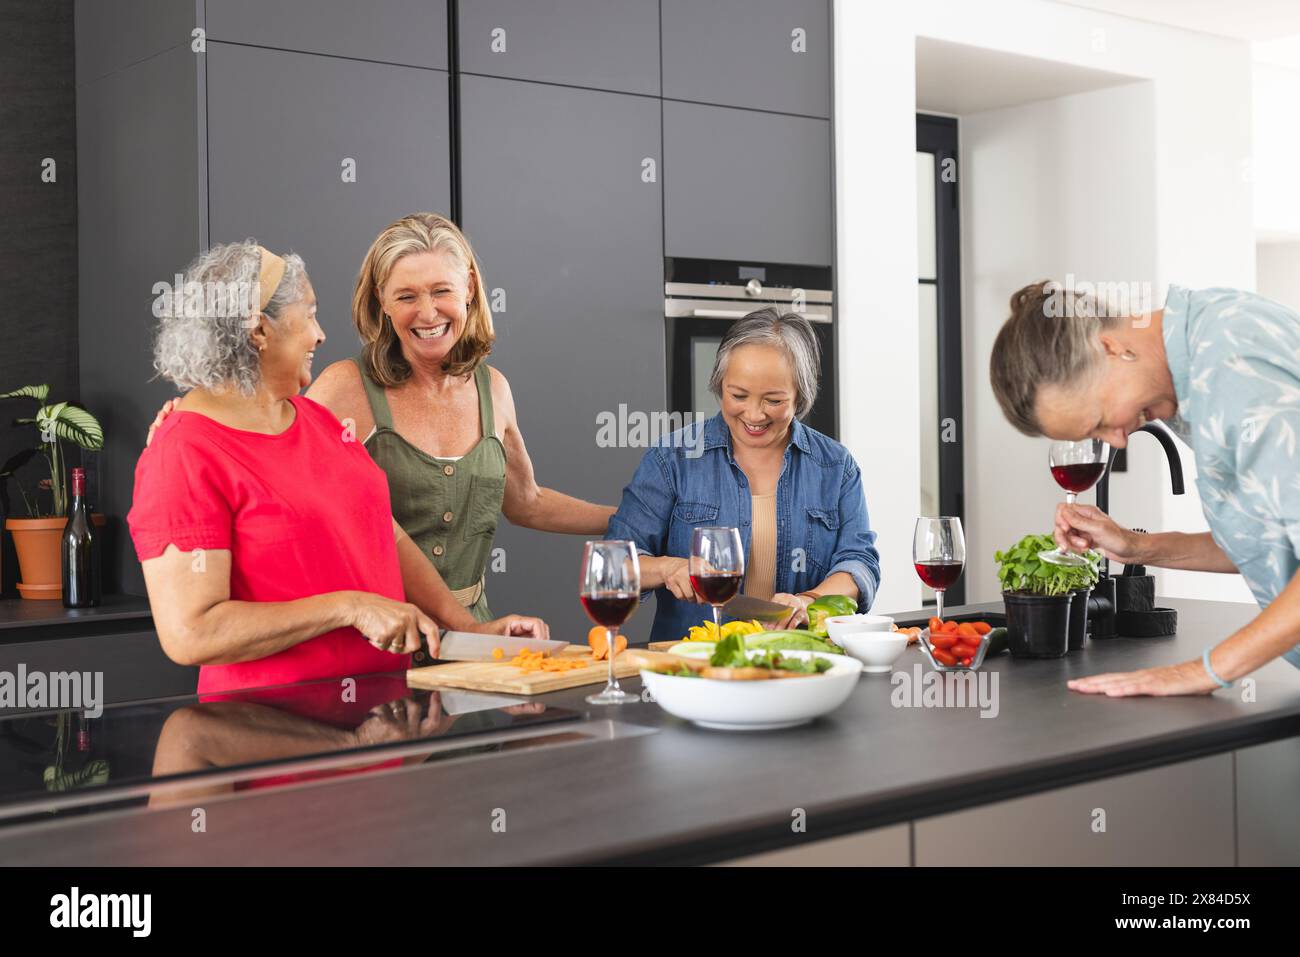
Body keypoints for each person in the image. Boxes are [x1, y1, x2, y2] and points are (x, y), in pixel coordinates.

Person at [150, 213, 615, 624]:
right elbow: (274, 446)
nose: (428, 312)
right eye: (407, 295)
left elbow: (524, 501)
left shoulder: (493, 388)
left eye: (442, 291)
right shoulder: (342, 388)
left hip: (468, 627)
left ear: (470, 288)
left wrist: (633, 518)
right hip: (381, 632)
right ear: (383, 301)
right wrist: (192, 421)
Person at [129, 241, 547, 694]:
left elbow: (382, 531)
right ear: (258, 330)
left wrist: (466, 627)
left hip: (376, 724)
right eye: (308, 315)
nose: (320, 335)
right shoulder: (184, 452)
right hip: (269, 731)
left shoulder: (316, 422)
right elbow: (191, 633)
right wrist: (349, 607)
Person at [990, 279, 1300, 696]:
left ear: (1110, 349)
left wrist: (1202, 671)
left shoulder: (1231, 366)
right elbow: (1273, 543)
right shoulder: (1190, 373)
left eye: (1100, 418)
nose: (1116, 440)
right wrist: (1134, 547)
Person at [608, 307, 881, 645]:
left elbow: (859, 562)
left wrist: (808, 601)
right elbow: (616, 564)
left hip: (799, 662)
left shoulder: (835, 467)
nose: (754, 414)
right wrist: (667, 568)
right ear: (720, 385)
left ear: (799, 397)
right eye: (738, 396)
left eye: (774, 400)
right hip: (692, 669)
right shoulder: (671, 460)